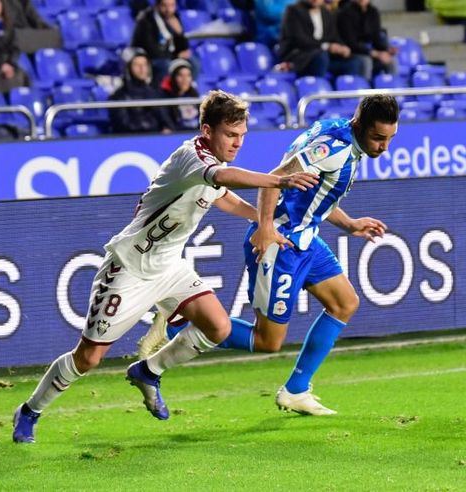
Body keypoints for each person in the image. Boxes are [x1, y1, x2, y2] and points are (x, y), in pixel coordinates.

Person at [11, 90, 319, 443]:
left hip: (170, 268)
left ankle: (149, 370)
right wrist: (279, 181)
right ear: (207, 129)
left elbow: (226, 198)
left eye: (242, 137)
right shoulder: (190, 158)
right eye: (230, 135)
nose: (237, 143)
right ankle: (30, 410)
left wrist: (264, 220)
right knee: (89, 357)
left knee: (217, 327)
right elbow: (224, 178)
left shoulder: (211, 167)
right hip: (129, 267)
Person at [140, 95, 399, 416]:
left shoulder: (338, 131)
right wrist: (264, 227)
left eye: (389, 139)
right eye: (378, 138)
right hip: (280, 241)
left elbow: (316, 192)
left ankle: (297, 390)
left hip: (305, 238)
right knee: (267, 341)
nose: (383, 147)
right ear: (360, 126)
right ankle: (179, 325)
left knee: (344, 302)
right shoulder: (334, 147)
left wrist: (349, 224)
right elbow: (274, 181)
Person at [278, 0, 362, 78]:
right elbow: (300, 40)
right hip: (300, 56)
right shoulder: (293, 11)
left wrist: (342, 47)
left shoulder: (326, 13)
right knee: (321, 56)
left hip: (323, 58)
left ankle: (346, 91)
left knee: (354, 61)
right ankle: (317, 89)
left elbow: (334, 37)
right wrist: (327, 46)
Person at [131, 0, 197, 80]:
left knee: (193, 62)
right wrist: (175, 56)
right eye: (164, 5)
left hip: (169, 56)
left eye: (172, 6)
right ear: (157, 5)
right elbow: (152, 49)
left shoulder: (174, 17)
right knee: (165, 65)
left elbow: (183, 48)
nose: (168, 9)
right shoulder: (146, 19)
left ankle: (187, 89)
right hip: (151, 58)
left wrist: (179, 33)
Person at [109, 49, 169, 135]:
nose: (142, 68)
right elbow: (122, 126)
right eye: (137, 65)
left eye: (145, 64)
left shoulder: (154, 93)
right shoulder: (119, 96)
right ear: (128, 68)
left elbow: (165, 120)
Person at [337, 0, 397, 80]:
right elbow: (351, 43)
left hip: (369, 50)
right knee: (366, 61)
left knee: (391, 61)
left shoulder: (373, 12)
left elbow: (376, 38)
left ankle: (393, 89)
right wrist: (373, 53)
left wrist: (386, 50)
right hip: (353, 51)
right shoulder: (345, 13)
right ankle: (365, 88)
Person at [158, 58, 199, 132]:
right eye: (180, 75)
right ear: (173, 78)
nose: (185, 79)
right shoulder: (164, 98)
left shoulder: (195, 95)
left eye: (188, 75)